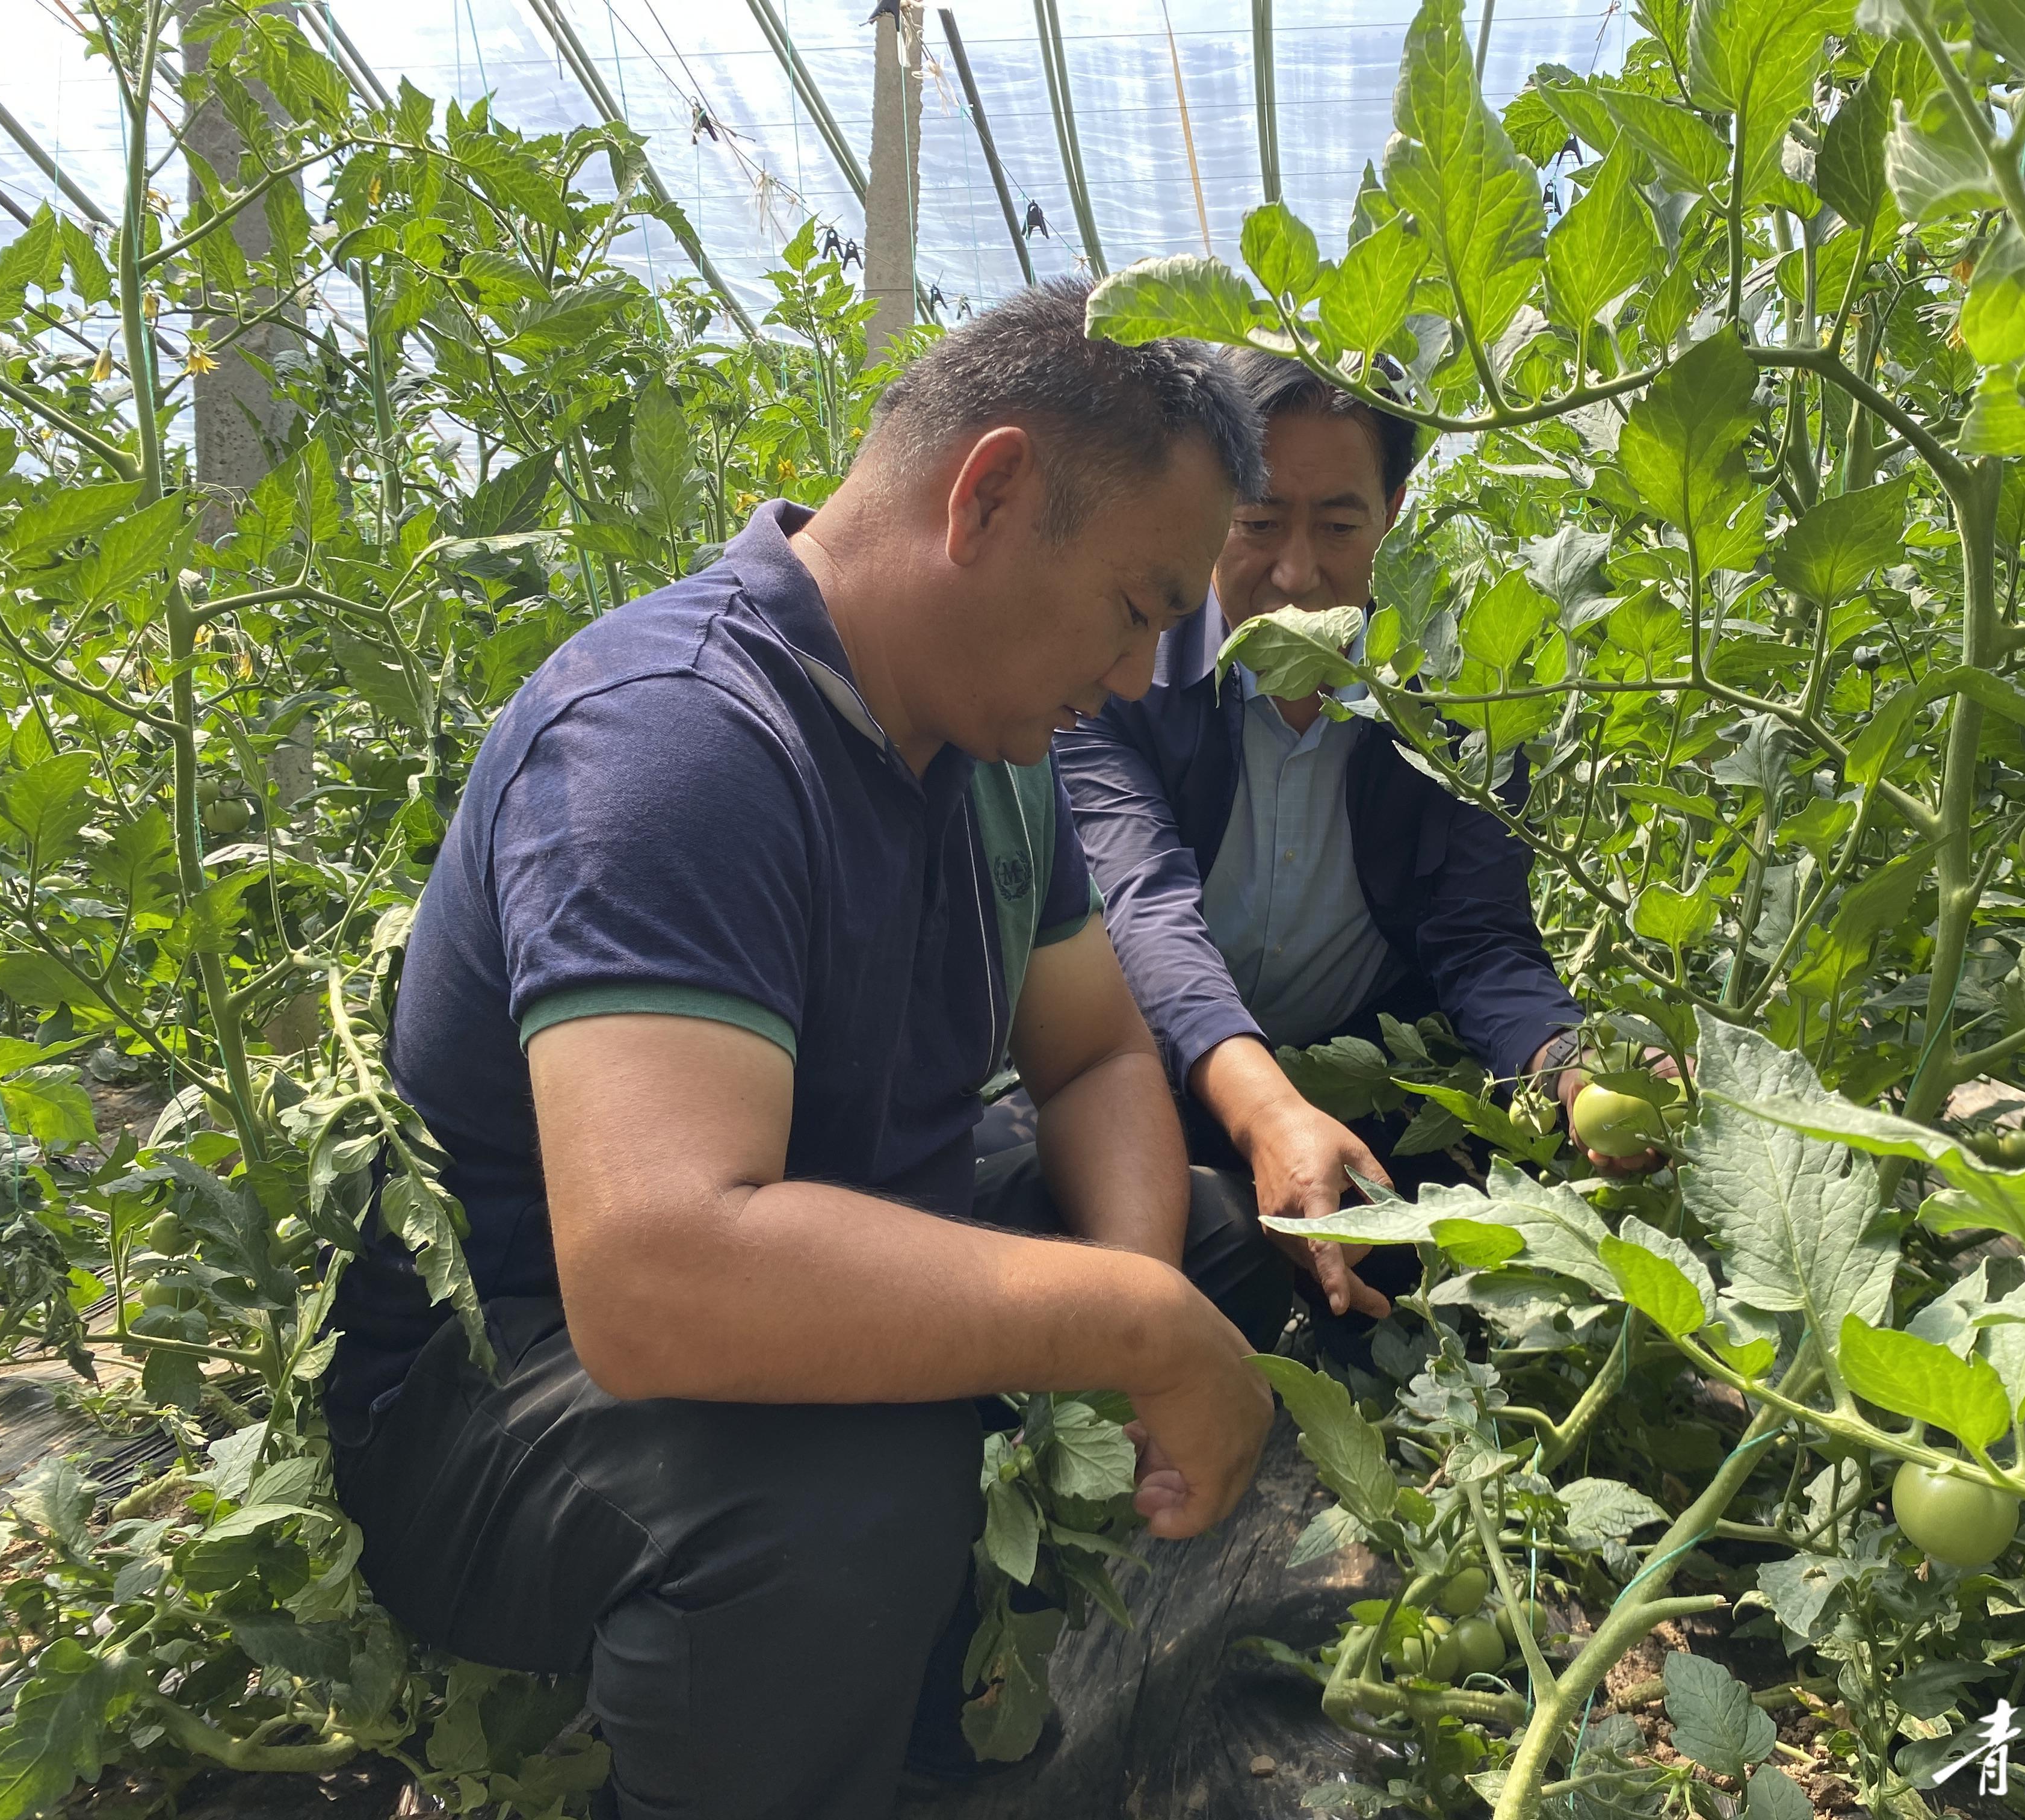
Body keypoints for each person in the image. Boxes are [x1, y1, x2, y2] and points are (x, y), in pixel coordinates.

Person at [322, 281, 1293, 1820]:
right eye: (1135, 609)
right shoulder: (679, 738)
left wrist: (1145, 1296)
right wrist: (1127, 1334)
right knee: (843, 1497)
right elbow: (658, 1273)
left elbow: (1100, 1057)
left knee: (1215, 1236)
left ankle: (910, 1674)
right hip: (509, 1389)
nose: (1130, 680)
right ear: (990, 496)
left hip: (803, 1232)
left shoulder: (992, 758)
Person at [1052, 351, 1630, 1329]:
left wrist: (1569, 1060)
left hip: (1367, 1073)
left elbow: (1480, 939)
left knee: (1474, 1268)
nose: (1297, 573)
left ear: (1395, 510)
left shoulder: (1461, 703)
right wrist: (1269, 1113)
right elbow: (1142, 909)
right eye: (1260, 522)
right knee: (1206, 1241)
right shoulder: (1122, 680)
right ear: (1210, 509)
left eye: (1339, 525)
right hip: (1171, 1070)